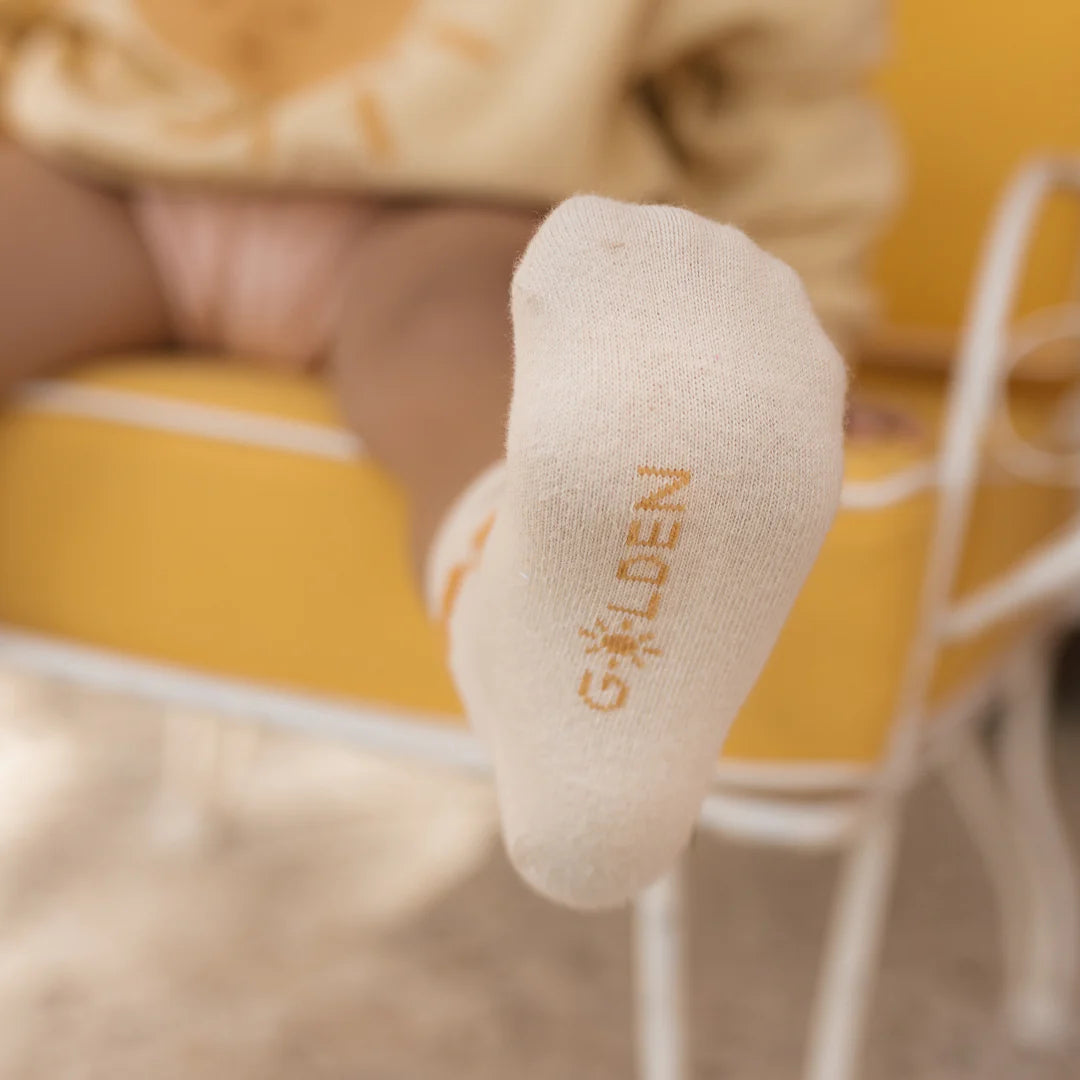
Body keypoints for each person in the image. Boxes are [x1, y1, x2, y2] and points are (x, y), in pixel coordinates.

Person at [0, 0, 895, 908]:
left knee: (474, 372)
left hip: (460, 203)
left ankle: (571, 682)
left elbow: (780, 88)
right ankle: (553, 629)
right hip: (104, 170)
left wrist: (811, 331)